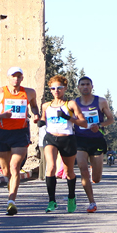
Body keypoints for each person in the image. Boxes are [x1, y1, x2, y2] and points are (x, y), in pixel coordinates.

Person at [0, 67, 40, 216]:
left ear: (22, 78)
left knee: (15, 167)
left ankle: (11, 202)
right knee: (6, 171)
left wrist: (36, 114)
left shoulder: (29, 92)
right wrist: (2, 115)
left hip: (20, 134)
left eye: (19, 76)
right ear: (8, 78)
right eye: (13, 76)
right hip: (3, 133)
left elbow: (34, 106)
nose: (16, 79)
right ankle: (11, 187)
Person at [41, 75, 87, 213]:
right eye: (53, 88)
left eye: (59, 88)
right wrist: (40, 121)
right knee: (51, 167)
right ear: (50, 90)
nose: (56, 91)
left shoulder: (71, 104)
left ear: (65, 88)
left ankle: (71, 197)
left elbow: (83, 122)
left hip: (67, 139)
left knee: (68, 171)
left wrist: (68, 118)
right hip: (51, 138)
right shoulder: (46, 105)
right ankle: (51, 201)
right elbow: (43, 119)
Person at [74, 76, 114, 213]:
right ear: (78, 87)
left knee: (96, 178)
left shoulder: (101, 101)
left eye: (87, 84)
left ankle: (94, 169)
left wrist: (99, 125)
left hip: (97, 140)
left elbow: (111, 119)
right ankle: (92, 202)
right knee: (83, 169)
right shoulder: (74, 104)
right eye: (82, 84)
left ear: (92, 86)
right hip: (80, 139)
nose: (85, 87)